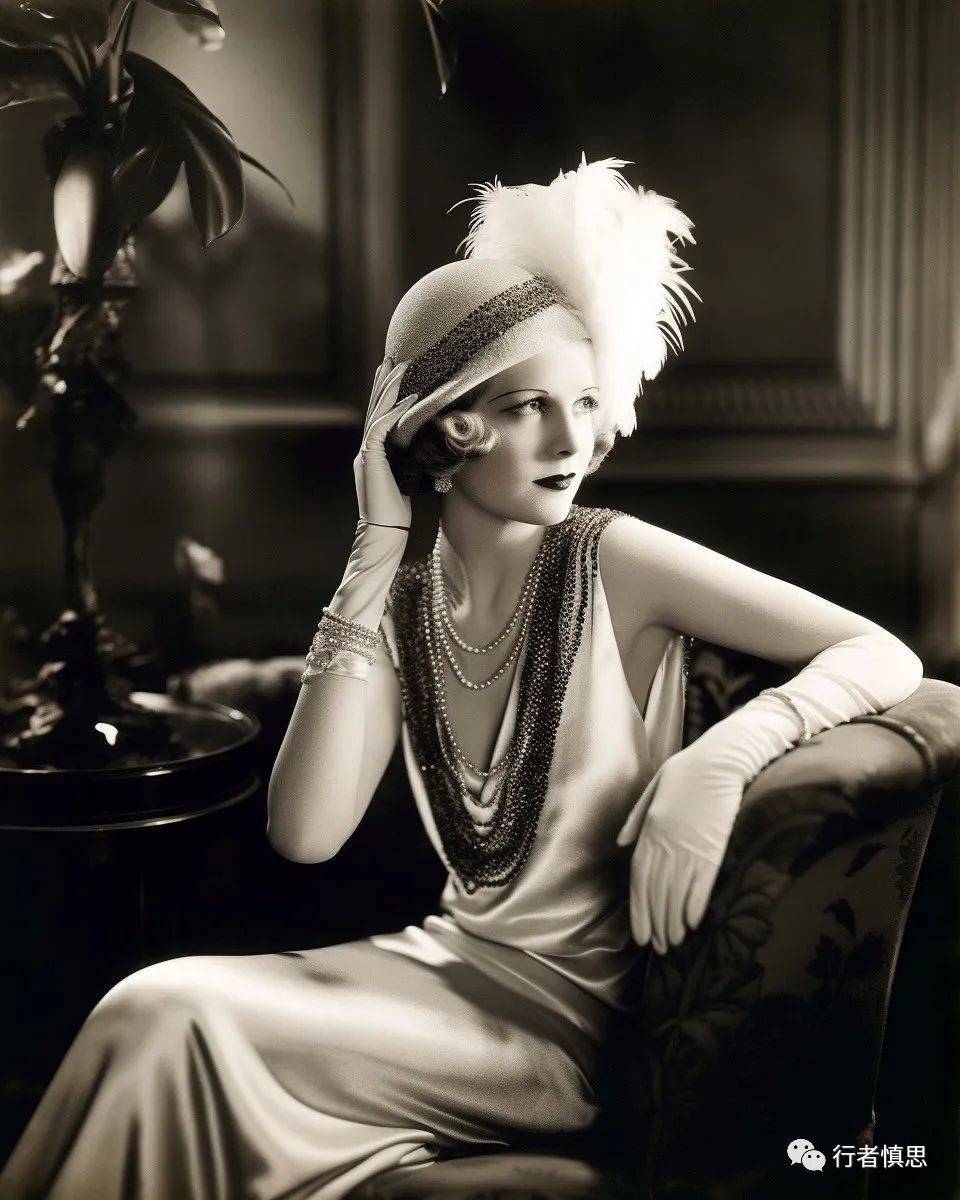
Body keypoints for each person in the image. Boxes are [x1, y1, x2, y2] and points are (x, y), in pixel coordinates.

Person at [0, 158, 923, 1200]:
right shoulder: (401, 605)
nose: (573, 439)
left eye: (585, 400)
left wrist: (720, 761)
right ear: (448, 424)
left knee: (171, 1015)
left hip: (562, 1036)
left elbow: (881, 652)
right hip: (438, 965)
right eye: (530, 406)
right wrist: (371, 555)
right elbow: (304, 833)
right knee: (147, 1004)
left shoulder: (615, 557)